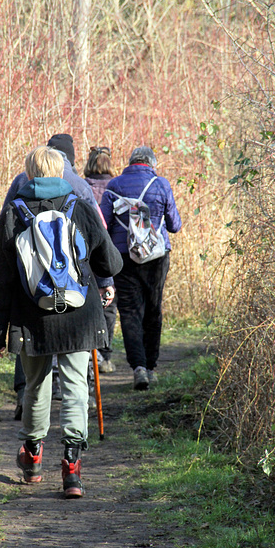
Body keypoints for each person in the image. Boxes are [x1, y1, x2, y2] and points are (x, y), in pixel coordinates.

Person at [0, 146, 122, 498]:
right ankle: (72, 467)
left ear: (29, 174)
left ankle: (32, 457)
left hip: (32, 318)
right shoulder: (81, 206)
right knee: (77, 387)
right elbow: (111, 262)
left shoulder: (13, 213)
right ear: (62, 172)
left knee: (35, 386)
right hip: (79, 314)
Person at [100, 146, 182, 391]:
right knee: (153, 309)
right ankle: (151, 366)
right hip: (156, 258)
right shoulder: (161, 184)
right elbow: (175, 225)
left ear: (131, 162)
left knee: (129, 311)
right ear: (151, 164)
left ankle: (137, 368)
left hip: (123, 257)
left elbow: (103, 225)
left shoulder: (114, 186)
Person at [84, 146, 117, 373]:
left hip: (86, 255)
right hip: (110, 255)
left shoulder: (81, 186)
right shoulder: (116, 187)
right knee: (108, 306)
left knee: (85, 304)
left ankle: (88, 354)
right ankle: (105, 356)